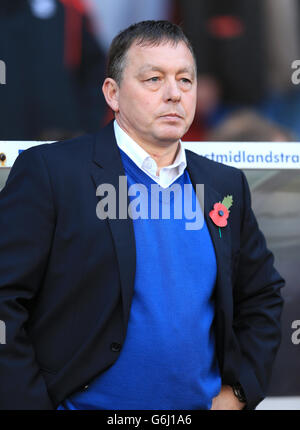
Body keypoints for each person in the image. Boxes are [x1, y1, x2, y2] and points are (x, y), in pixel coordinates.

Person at [0, 20, 284, 410]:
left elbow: (262, 296)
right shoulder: (51, 172)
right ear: (112, 94)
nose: (174, 94)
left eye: (186, 80)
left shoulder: (224, 184)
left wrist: (238, 393)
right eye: (154, 79)